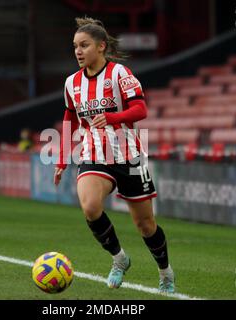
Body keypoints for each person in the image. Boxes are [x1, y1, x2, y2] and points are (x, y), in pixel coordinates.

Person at [53, 17, 175, 294]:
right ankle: (119, 259)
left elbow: (140, 110)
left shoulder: (120, 74)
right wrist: (62, 159)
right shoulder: (71, 83)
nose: (78, 51)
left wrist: (111, 117)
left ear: (101, 46)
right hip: (94, 154)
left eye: (84, 45)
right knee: (90, 206)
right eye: (75, 46)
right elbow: (70, 120)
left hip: (129, 156)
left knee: (145, 225)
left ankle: (165, 272)